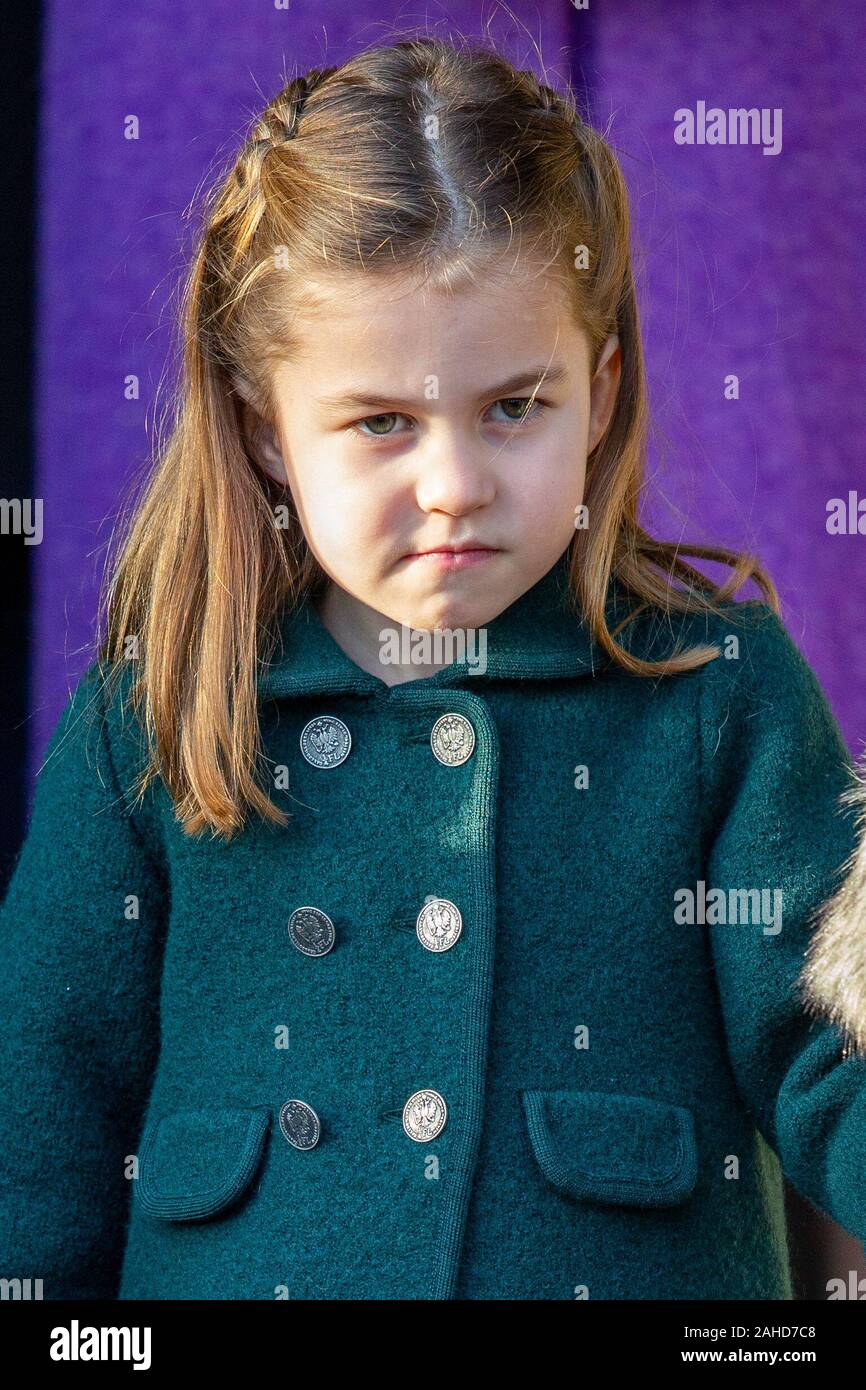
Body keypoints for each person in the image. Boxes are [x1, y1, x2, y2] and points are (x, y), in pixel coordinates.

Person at [1, 35, 863, 1301]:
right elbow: (41, 1128)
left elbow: (823, 1064)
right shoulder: (154, 711)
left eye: (515, 407)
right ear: (264, 427)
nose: (455, 483)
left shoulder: (713, 686)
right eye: (380, 423)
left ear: (601, 387)